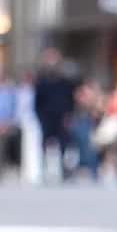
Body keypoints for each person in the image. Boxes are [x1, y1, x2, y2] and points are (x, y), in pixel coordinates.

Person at [34, 47, 78, 179]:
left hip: (62, 117)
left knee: (65, 143)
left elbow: (70, 100)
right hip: (46, 117)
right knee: (45, 143)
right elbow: (37, 101)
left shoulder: (65, 81)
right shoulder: (41, 81)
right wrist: (40, 116)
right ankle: (44, 170)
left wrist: (69, 114)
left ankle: (65, 170)